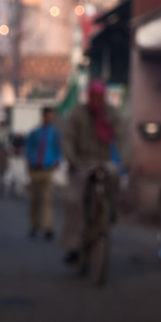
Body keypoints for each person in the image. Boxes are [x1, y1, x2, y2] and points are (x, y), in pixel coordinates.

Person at [60, 79, 122, 263]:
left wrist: (126, 160)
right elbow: (68, 137)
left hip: (103, 161)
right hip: (81, 163)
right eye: (93, 97)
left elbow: (122, 135)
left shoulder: (111, 113)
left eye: (99, 97)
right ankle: (74, 245)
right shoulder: (77, 113)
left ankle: (108, 216)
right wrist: (70, 157)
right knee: (73, 200)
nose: (96, 100)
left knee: (115, 179)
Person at [24, 107, 63, 239]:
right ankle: (34, 226)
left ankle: (48, 227)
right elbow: (29, 148)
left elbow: (59, 149)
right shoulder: (35, 132)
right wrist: (29, 160)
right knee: (35, 199)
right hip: (35, 169)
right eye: (48, 116)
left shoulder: (55, 133)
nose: (49, 118)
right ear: (44, 116)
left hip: (47, 169)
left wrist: (56, 161)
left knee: (47, 199)